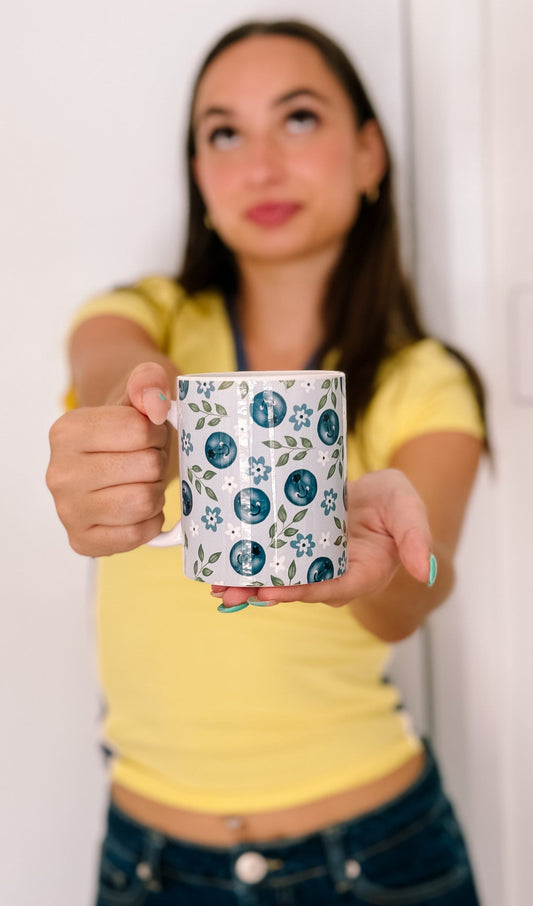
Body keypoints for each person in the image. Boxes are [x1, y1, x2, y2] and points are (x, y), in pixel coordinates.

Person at [46, 19, 487, 906]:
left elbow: (414, 598)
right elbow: (111, 363)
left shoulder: (424, 379)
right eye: (223, 133)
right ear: (199, 177)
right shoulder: (148, 314)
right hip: (146, 864)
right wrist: (135, 423)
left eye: (296, 119)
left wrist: (393, 563)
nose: (259, 165)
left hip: (376, 858)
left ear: (368, 155)